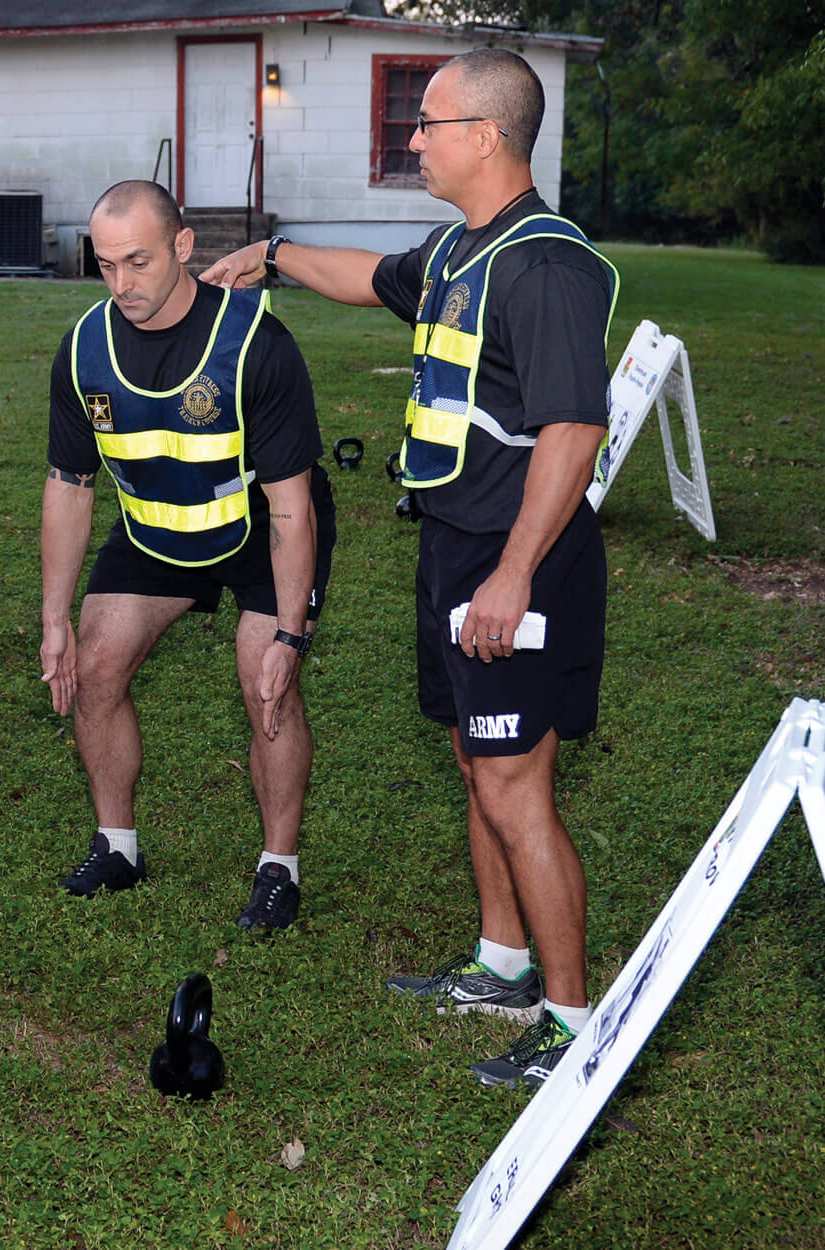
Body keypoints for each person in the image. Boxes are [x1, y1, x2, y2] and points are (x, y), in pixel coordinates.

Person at [201, 49, 618, 1085]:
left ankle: (572, 1028)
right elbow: (367, 280)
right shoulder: (458, 251)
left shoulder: (545, 263)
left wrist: (513, 574)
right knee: (476, 761)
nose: (412, 137)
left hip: (517, 559)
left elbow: (573, 431)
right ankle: (501, 963)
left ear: (485, 135)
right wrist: (274, 255)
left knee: (516, 782)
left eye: (427, 123)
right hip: (452, 546)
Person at [40, 180, 335, 930]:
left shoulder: (255, 342)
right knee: (96, 666)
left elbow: (294, 507)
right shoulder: (83, 350)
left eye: (137, 261)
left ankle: (278, 867)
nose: (121, 284)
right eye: (104, 265)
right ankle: (118, 848)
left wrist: (291, 635)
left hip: (260, 524)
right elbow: (70, 487)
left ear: (181, 247)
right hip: (155, 527)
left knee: (264, 681)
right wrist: (54, 618)